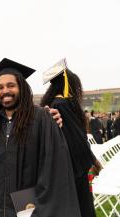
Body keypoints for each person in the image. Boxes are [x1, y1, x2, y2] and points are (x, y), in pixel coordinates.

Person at [0, 58, 81, 217]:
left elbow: (54, 168)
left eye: (11, 85)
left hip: (29, 206)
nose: (5, 91)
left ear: (21, 88)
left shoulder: (41, 118)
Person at [41, 59, 98, 217]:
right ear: (68, 84)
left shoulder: (55, 103)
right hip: (72, 171)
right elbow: (76, 142)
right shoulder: (62, 105)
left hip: (64, 170)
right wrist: (90, 161)